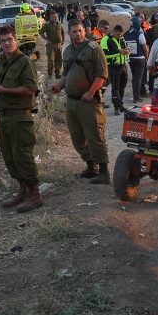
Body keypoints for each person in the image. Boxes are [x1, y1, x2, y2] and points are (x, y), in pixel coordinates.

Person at [0, 25, 42, 212]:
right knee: (10, 157)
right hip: (6, 117)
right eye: (3, 41)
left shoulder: (25, 62)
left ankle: (34, 195)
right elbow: (5, 86)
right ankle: (22, 191)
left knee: (23, 156)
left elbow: (30, 89)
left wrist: (5, 91)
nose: (6, 43)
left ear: (16, 40)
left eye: (9, 39)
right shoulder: (4, 61)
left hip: (21, 117)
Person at [51, 19, 111, 184]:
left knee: (95, 136)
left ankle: (104, 172)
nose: (77, 34)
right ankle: (92, 167)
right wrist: (58, 86)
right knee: (77, 138)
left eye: (80, 31)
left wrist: (90, 92)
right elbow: (65, 74)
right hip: (72, 102)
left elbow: (101, 74)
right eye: (74, 31)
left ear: (84, 31)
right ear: (69, 33)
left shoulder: (93, 49)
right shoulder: (68, 51)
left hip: (89, 102)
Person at [101, 23, 130, 114]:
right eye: (118, 34)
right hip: (113, 67)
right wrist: (119, 52)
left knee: (122, 86)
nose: (119, 36)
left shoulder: (122, 39)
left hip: (123, 65)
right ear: (113, 32)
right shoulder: (106, 39)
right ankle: (116, 107)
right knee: (115, 87)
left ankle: (120, 105)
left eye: (121, 34)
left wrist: (127, 52)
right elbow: (105, 55)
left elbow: (126, 51)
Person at [124, 15, 148, 103]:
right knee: (138, 78)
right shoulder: (140, 34)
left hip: (130, 58)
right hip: (140, 58)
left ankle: (135, 95)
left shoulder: (125, 34)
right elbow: (145, 48)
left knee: (134, 77)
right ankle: (136, 97)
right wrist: (146, 57)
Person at [40, 9, 65, 79]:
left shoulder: (59, 24)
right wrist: (47, 40)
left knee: (59, 60)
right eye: (54, 17)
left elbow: (63, 32)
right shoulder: (47, 25)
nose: (56, 18)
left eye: (56, 16)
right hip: (51, 46)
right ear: (50, 17)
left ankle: (57, 73)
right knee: (51, 60)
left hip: (59, 45)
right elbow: (41, 33)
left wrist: (63, 40)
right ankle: (50, 74)